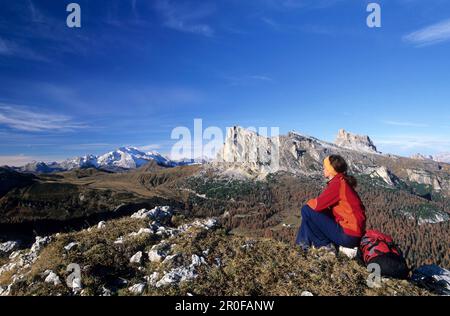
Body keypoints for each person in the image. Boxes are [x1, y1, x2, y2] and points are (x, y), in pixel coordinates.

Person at [296, 155, 366, 251]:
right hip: (353, 233)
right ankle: (301, 246)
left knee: (307, 210)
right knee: (311, 214)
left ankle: (324, 246)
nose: (323, 169)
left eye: (325, 167)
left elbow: (317, 205)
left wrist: (309, 202)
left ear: (330, 170)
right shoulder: (342, 181)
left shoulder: (337, 184)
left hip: (349, 235)